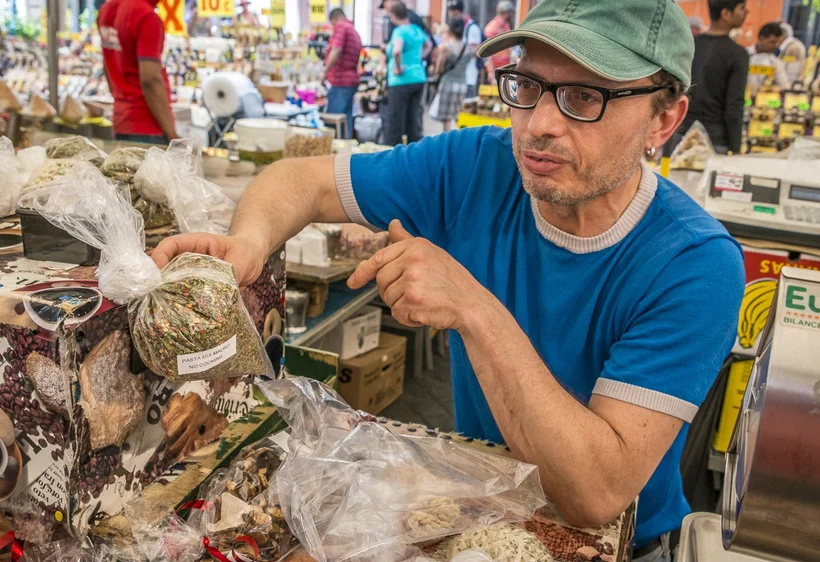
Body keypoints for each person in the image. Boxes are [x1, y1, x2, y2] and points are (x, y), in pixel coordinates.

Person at [153, 1, 743, 561]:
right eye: (527, 86)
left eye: (585, 96)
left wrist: (472, 307)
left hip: (617, 543)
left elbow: (593, 493)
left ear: (663, 119)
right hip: (484, 509)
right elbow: (300, 181)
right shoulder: (477, 165)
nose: (540, 125)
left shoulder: (693, 263)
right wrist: (249, 245)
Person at [98, 0, 178, 143]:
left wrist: (120, 100)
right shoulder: (146, 17)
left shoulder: (106, 10)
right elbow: (150, 79)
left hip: (121, 120)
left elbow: (108, 62)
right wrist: (171, 133)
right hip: (148, 124)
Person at [677, 0, 748, 155]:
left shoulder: (690, 44)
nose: (746, 13)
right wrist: (735, 148)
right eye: (742, 8)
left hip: (680, 133)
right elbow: (734, 105)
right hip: (715, 140)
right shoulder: (737, 54)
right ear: (726, 14)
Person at [383, 0, 431, 145]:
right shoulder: (416, 29)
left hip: (401, 80)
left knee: (396, 122)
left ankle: (393, 152)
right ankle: (413, 151)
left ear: (393, 15)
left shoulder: (399, 31)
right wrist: (418, 58)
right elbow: (429, 45)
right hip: (418, 77)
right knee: (412, 120)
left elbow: (396, 51)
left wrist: (398, 67)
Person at [428, 18, 471, 132]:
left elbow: (439, 68)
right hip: (462, 84)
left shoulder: (446, 47)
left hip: (448, 84)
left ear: (450, 30)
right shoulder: (467, 48)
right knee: (458, 116)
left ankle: (449, 140)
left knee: (446, 119)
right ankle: (460, 138)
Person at [325, 8, 362, 139]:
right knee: (346, 121)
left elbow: (336, 50)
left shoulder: (341, 27)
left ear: (334, 19)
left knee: (333, 122)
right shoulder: (353, 30)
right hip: (351, 81)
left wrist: (325, 72)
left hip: (340, 81)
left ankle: (334, 150)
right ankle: (346, 148)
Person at [446, 0, 482, 98]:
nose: (453, 18)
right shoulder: (458, 27)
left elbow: (476, 51)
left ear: (460, 12)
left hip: (468, 76)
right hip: (455, 76)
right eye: (451, 15)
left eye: (454, 15)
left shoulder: (472, 28)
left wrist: (457, 50)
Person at [747, 22, 791, 93]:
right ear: (761, 38)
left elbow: (784, 87)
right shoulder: (744, 56)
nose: (776, 46)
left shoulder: (776, 63)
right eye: (772, 42)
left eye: (778, 42)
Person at [482, 0, 515, 83]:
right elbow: (487, 52)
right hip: (496, 69)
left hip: (504, 68)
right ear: (505, 12)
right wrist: (491, 71)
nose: (512, 15)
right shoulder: (492, 27)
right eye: (511, 12)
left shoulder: (506, 25)